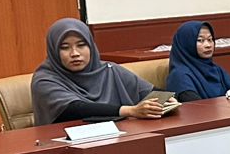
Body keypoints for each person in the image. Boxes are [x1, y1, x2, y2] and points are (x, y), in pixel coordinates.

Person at [31, 18, 166, 126]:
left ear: (91, 46)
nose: (75, 53)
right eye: (65, 48)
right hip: (68, 144)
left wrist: (168, 100)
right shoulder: (44, 79)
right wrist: (130, 111)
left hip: (120, 138)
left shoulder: (109, 70)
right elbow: (74, 109)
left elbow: (154, 92)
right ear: (54, 51)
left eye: (81, 45)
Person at [164, 20, 230, 102]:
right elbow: (197, 105)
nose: (208, 45)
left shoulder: (216, 69)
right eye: (200, 40)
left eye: (210, 39)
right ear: (187, 43)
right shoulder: (180, 75)